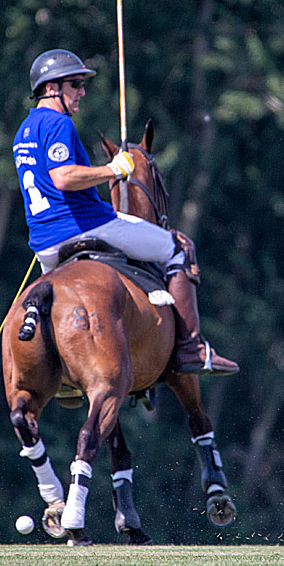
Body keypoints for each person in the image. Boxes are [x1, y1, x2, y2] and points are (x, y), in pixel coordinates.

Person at [13, 48, 238, 375]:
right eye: (75, 84)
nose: (82, 92)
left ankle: (62, 377)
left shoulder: (23, 131)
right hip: (85, 226)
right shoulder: (57, 123)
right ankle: (191, 348)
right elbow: (63, 177)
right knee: (178, 247)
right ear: (51, 89)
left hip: (45, 248)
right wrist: (114, 170)